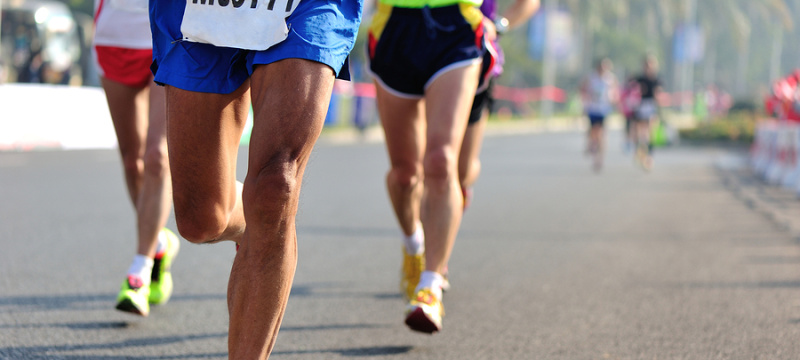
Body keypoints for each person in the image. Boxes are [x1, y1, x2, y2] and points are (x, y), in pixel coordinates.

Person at [148, 0, 362, 358]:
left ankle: (267, 218)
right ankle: (258, 221)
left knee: (276, 186)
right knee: (202, 219)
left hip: (307, 6)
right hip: (204, 7)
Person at [367, 0, 486, 334]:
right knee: (404, 176)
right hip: (394, 25)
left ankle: (431, 286)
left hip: (456, 25)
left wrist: (500, 21)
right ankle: (413, 246)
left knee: (441, 161)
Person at [93, 0, 179, 317]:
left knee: (157, 154)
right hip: (114, 35)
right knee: (133, 161)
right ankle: (158, 242)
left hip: (167, 29)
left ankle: (139, 272)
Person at [459, 0, 540, 209]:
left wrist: (499, 25)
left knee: (462, 171)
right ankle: (415, 236)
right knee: (420, 167)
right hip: (418, 52)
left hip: (475, 59)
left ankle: (461, 187)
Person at [579, 57, 618, 172]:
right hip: (592, 108)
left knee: (601, 134)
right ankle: (591, 144)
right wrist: (585, 100)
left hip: (604, 109)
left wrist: (614, 99)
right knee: (593, 131)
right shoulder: (591, 77)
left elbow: (616, 91)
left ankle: (599, 160)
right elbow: (582, 88)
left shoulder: (610, 79)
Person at [633, 54, 663, 171]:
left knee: (651, 132)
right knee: (641, 132)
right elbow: (633, 92)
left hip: (652, 106)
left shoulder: (657, 80)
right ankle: (640, 151)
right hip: (641, 106)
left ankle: (649, 156)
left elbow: (659, 95)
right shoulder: (639, 79)